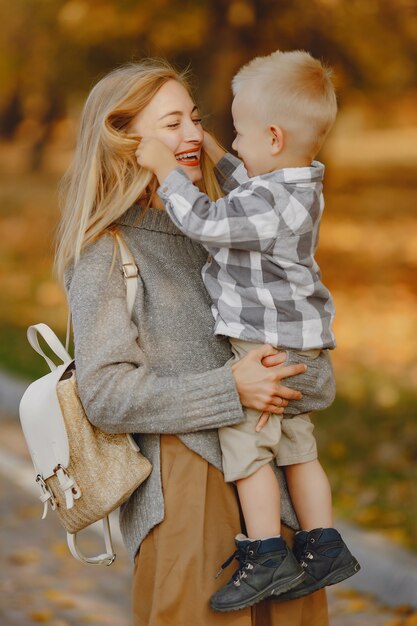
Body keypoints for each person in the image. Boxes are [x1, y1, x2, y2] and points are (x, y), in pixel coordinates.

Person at [55, 59, 330, 626]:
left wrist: (299, 378)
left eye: (195, 119)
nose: (192, 136)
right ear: (125, 139)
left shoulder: (229, 228)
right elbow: (105, 394)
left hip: (270, 502)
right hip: (186, 490)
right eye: (172, 123)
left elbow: (305, 365)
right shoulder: (105, 250)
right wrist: (230, 388)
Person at [135, 50, 360, 613]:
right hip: (294, 340)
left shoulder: (271, 206)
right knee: (298, 449)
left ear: (275, 137)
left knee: (250, 450)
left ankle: (265, 555)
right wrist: (207, 144)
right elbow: (240, 179)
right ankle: (322, 542)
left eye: (237, 133)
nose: (231, 144)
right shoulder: (290, 186)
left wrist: (166, 168)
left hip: (267, 346)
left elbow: (208, 221)